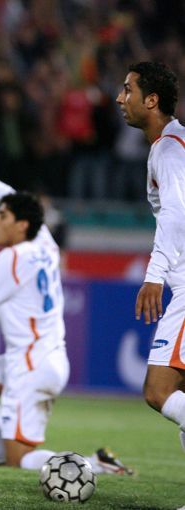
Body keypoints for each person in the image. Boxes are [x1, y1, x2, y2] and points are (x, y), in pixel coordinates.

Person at [0, 147, 133, 474]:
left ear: (21, 225)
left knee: (22, 459)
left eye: (2, 217)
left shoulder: (14, 258)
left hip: (30, 366)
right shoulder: (45, 242)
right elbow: (12, 196)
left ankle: (94, 464)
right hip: (46, 357)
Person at [117, 61, 185, 454]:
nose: (120, 98)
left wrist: (154, 275)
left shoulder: (169, 150)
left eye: (128, 89)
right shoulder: (177, 143)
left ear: (152, 100)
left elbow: (176, 214)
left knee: (159, 391)